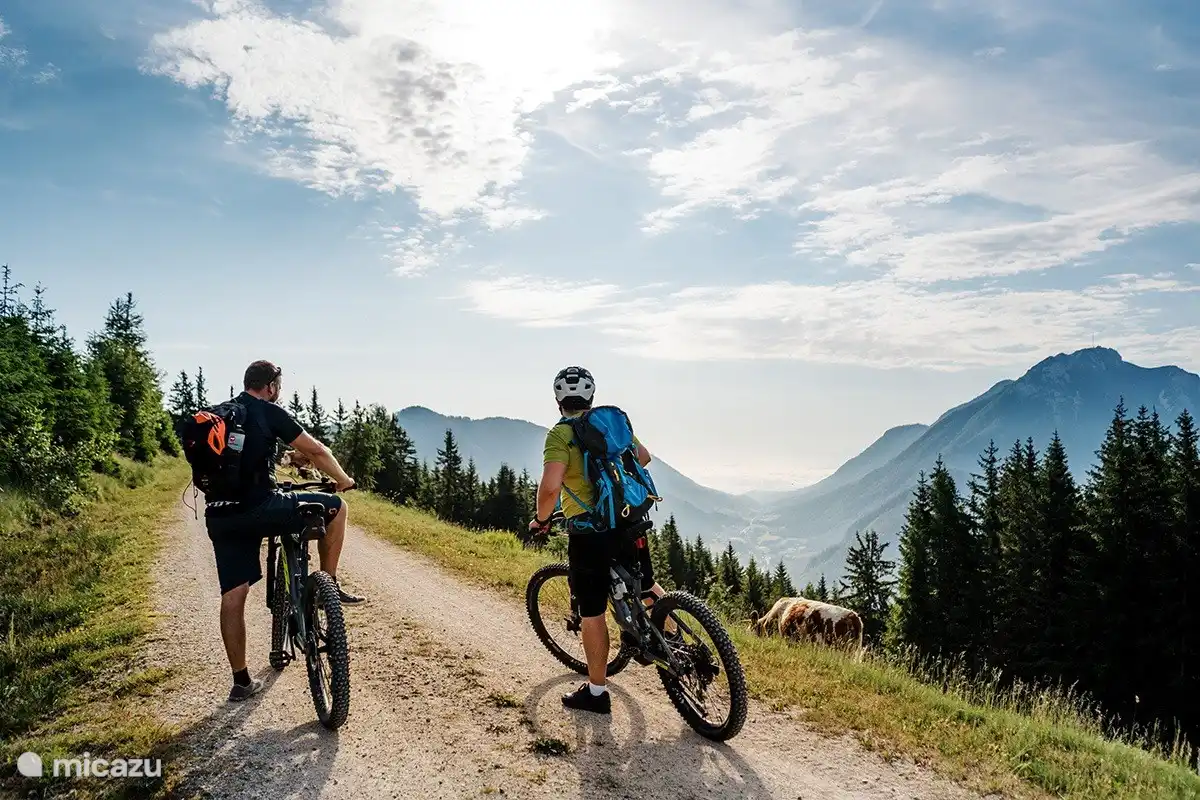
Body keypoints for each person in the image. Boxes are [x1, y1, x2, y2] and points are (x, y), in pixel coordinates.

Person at [204, 359, 365, 702]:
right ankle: (328, 587)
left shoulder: (224, 415)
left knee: (233, 594)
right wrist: (343, 480)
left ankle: (241, 682)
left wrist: (287, 462)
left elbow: (250, 458)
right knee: (337, 509)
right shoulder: (268, 410)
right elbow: (318, 450)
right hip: (261, 509)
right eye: (279, 387)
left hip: (221, 516)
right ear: (271, 386)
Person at [529, 365, 670, 715]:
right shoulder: (610, 423)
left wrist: (541, 520)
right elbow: (643, 457)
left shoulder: (560, 435)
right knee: (647, 585)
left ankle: (596, 693)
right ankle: (669, 639)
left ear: (558, 399)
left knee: (592, 612)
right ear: (591, 396)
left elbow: (550, 488)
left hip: (590, 532)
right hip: (630, 520)